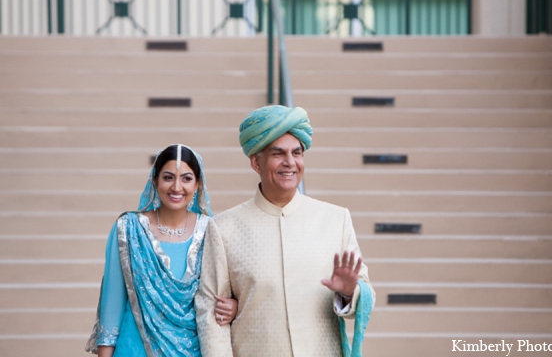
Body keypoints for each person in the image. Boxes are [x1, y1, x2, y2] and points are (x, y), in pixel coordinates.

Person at [196, 105, 375, 357]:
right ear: (256, 162)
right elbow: (210, 313)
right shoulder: (224, 228)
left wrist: (347, 292)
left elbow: (366, 294)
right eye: (278, 153)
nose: (290, 162)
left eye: (297, 153)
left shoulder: (336, 220)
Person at [85, 144, 238, 357]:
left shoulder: (210, 231)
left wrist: (233, 306)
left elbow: (226, 291)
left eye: (186, 178)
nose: (176, 187)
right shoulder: (128, 229)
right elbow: (112, 304)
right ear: (155, 181)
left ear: (198, 184)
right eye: (168, 177)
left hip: (194, 351)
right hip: (134, 350)